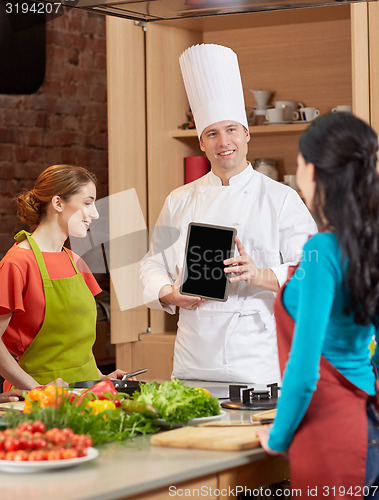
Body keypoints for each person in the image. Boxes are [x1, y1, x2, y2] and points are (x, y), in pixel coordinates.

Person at [140, 43, 316, 384]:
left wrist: (259, 273)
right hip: (193, 357)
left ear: (247, 135)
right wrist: (169, 293)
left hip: (257, 359)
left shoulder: (281, 198)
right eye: (212, 133)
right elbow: (151, 263)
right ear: (201, 143)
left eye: (232, 129)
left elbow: (313, 270)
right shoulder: (179, 199)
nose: (224, 142)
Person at [257, 112, 379, 495]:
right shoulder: (368, 244)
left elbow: (305, 369)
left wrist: (278, 437)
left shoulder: (321, 250)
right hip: (366, 425)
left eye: (298, 164)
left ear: (312, 171)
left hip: (327, 433)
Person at [0, 164, 129, 391]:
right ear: (58, 203)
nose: (95, 213)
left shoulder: (75, 260)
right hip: (40, 402)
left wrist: (101, 377)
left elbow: (74, 341)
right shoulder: (17, 263)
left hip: (88, 393)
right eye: (88, 203)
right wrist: (36, 389)